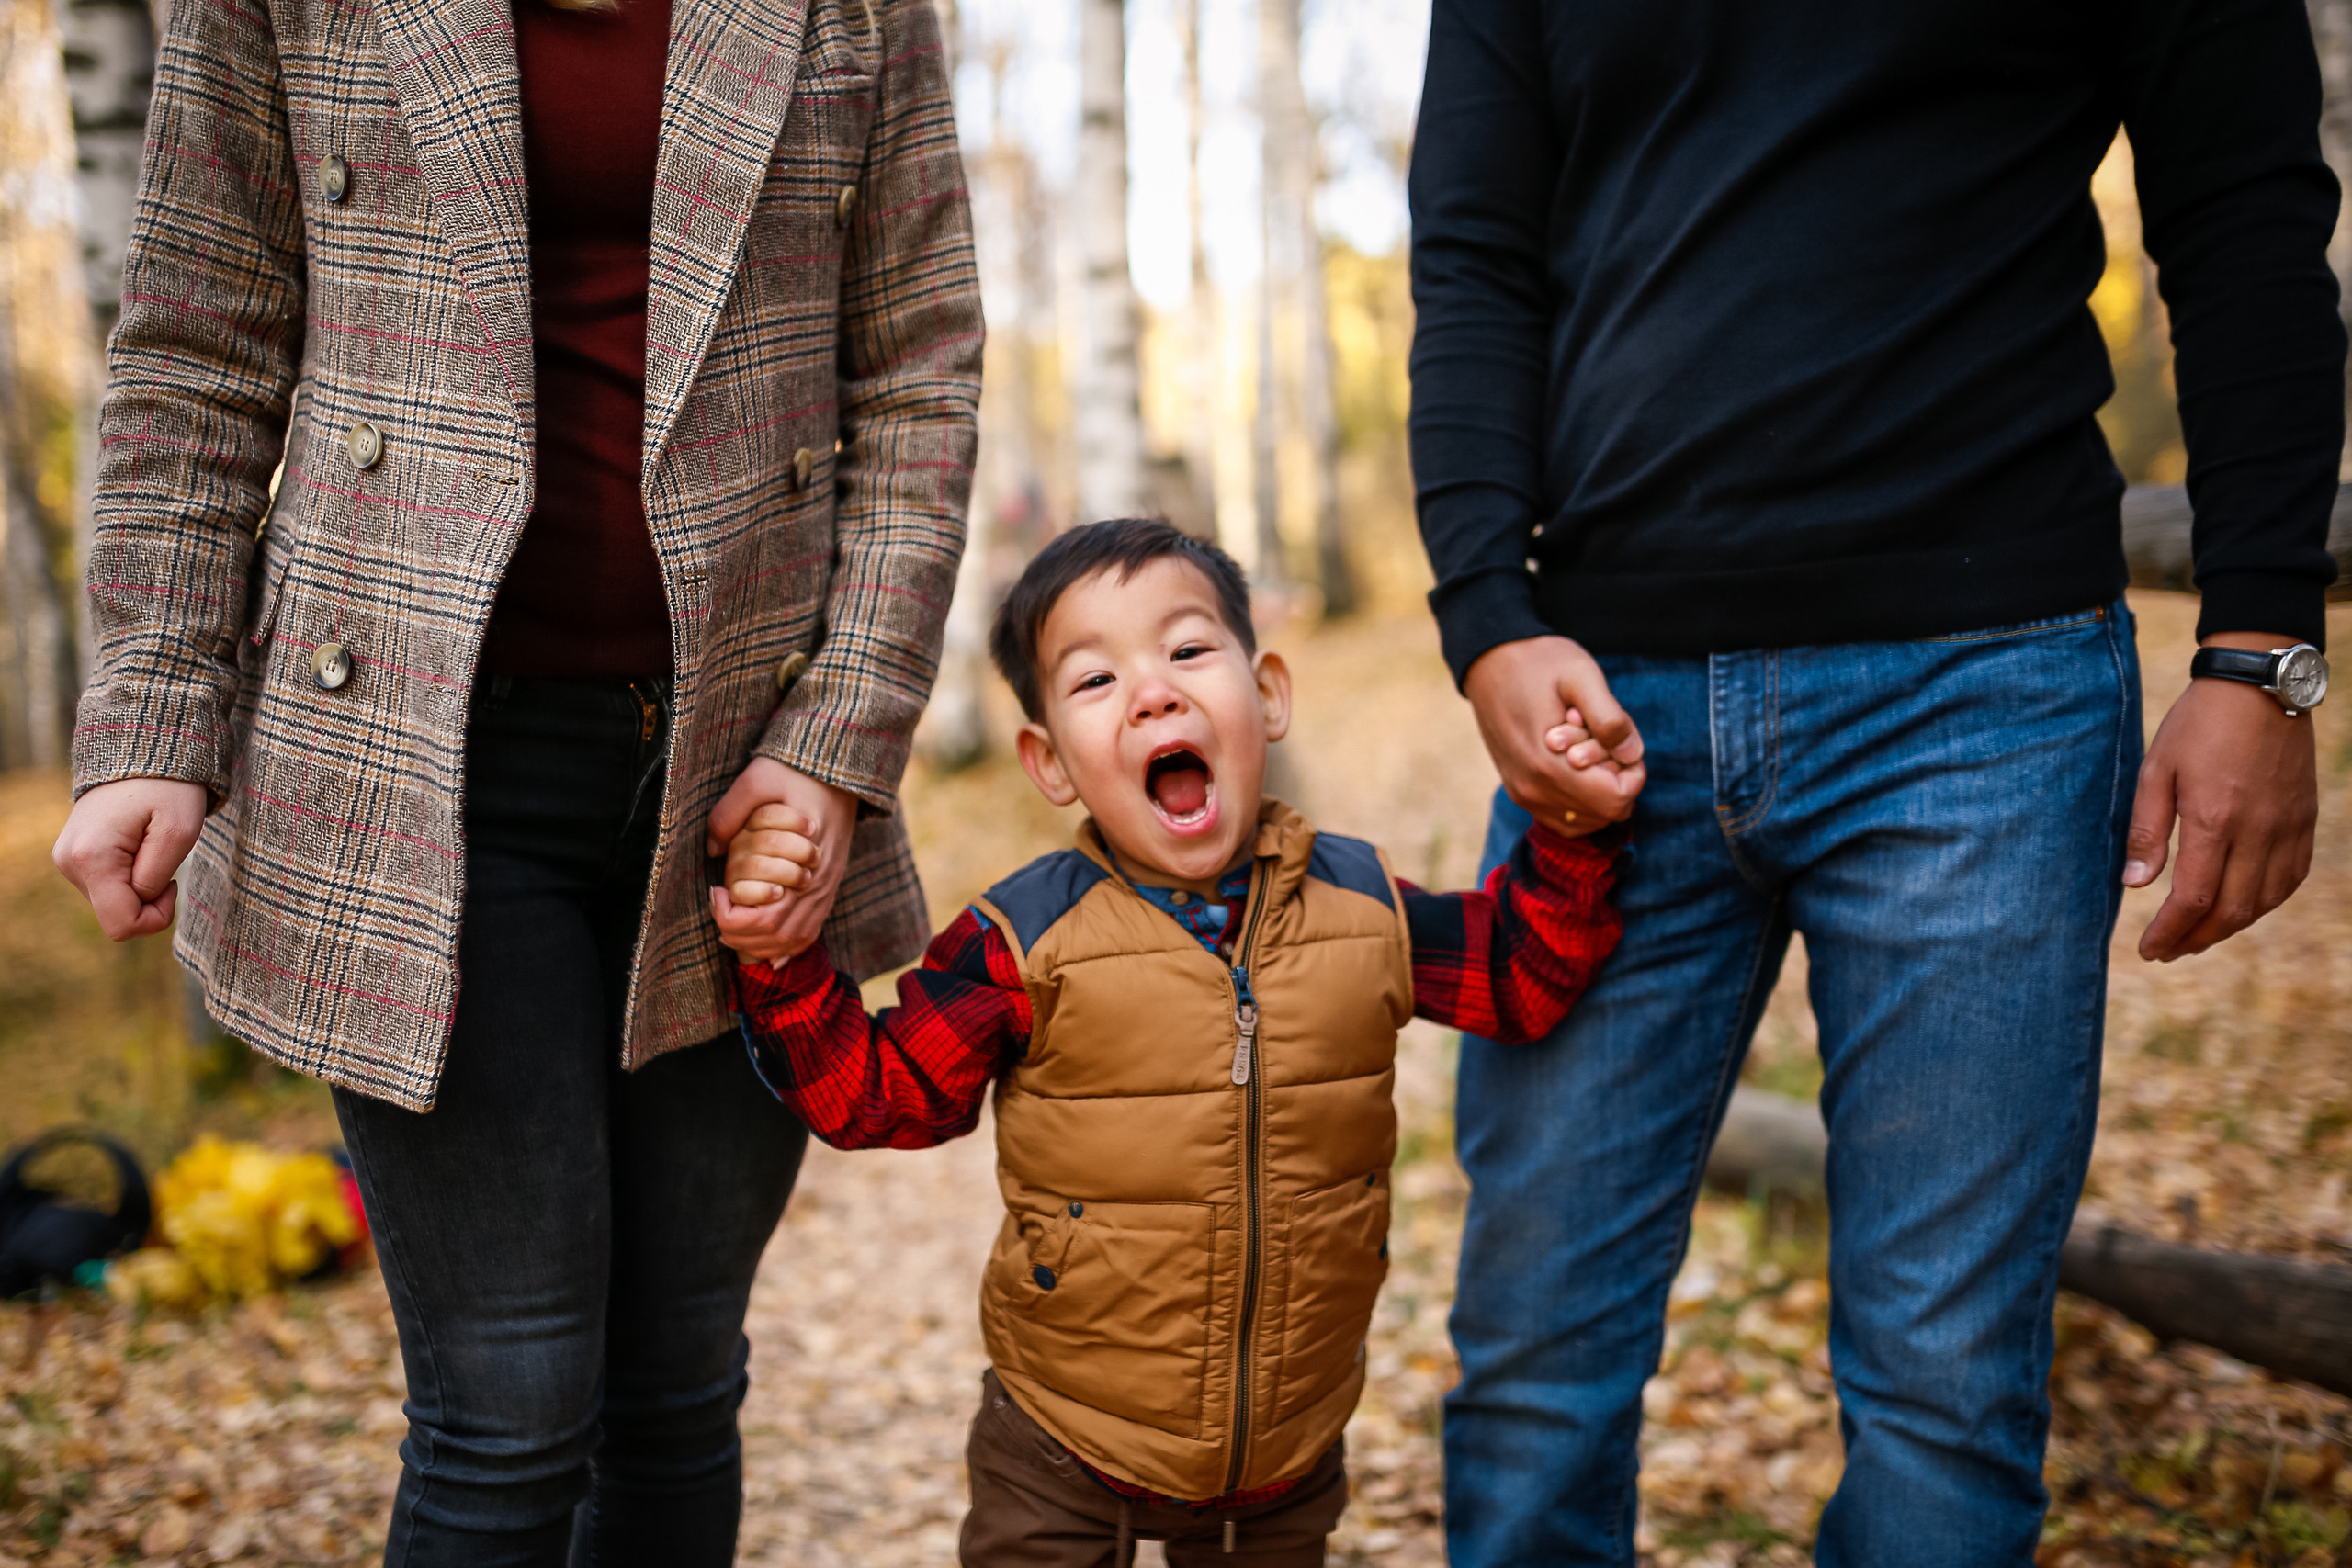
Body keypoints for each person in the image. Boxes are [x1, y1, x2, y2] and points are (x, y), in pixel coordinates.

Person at [1406, 0, 2343, 1562]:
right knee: (1533, 1354)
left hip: (1986, 696)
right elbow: (1476, 252)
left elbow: (2241, 201)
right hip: (1610, 718)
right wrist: (1484, 614)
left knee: (1947, 1383)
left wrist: (2261, 646)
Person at [48, 0, 981, 1559]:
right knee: (507, 1403)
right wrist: (153, 712)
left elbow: (917, 364)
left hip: (742, 778)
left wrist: (838, 738)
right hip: (415, 769)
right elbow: (199, 342)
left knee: (679, 1388)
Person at [719, 520, 1629, 1566]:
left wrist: (1571, 828)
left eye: (1190, 651)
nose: (1154, 691)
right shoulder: (1023, 941)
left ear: (1269, 695)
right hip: (1059, 1447)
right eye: (1097, 679)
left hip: (1283, 1455)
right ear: (1050, 763)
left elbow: (1520, 974)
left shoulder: (1364, 906)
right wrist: (782, 963)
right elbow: (881, 1095)